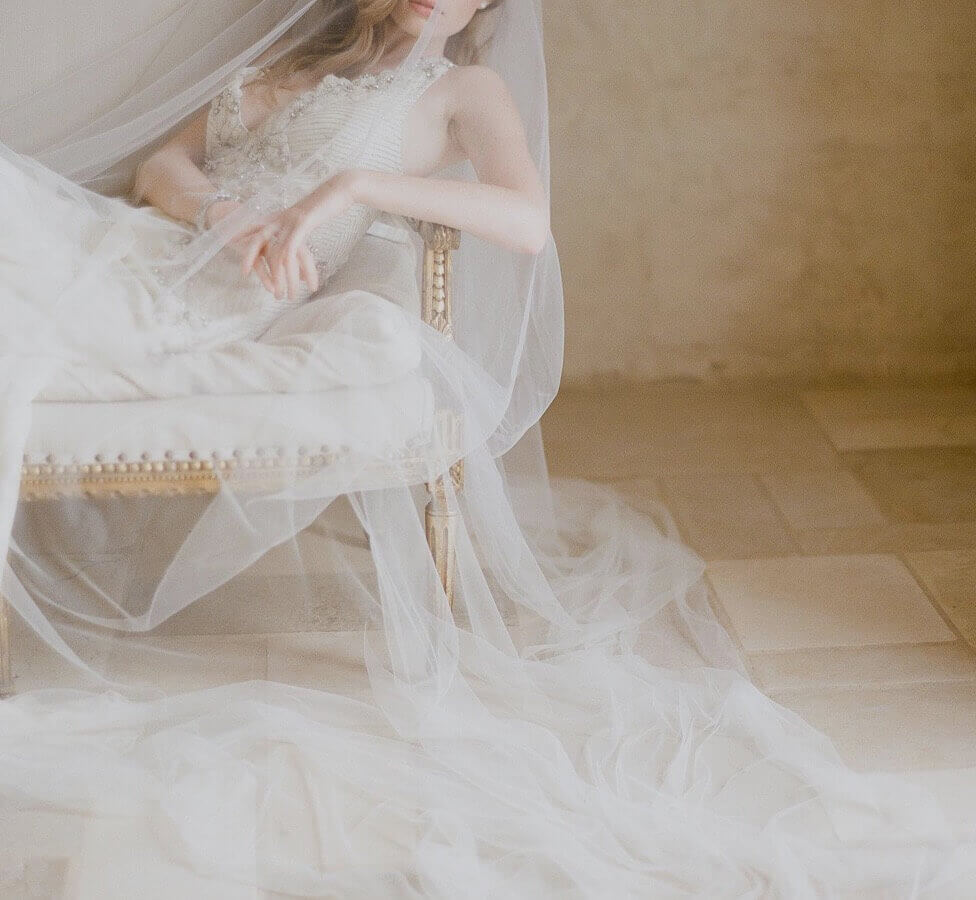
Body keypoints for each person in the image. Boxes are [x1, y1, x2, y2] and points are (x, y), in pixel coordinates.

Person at [0, 1, 972, 896]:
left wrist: (354, 186)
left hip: (214, 307)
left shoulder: (465, 91)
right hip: (152, 252)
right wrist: (221, 210)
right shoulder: (285, 57)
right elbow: (157, 170)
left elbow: (526, 221)